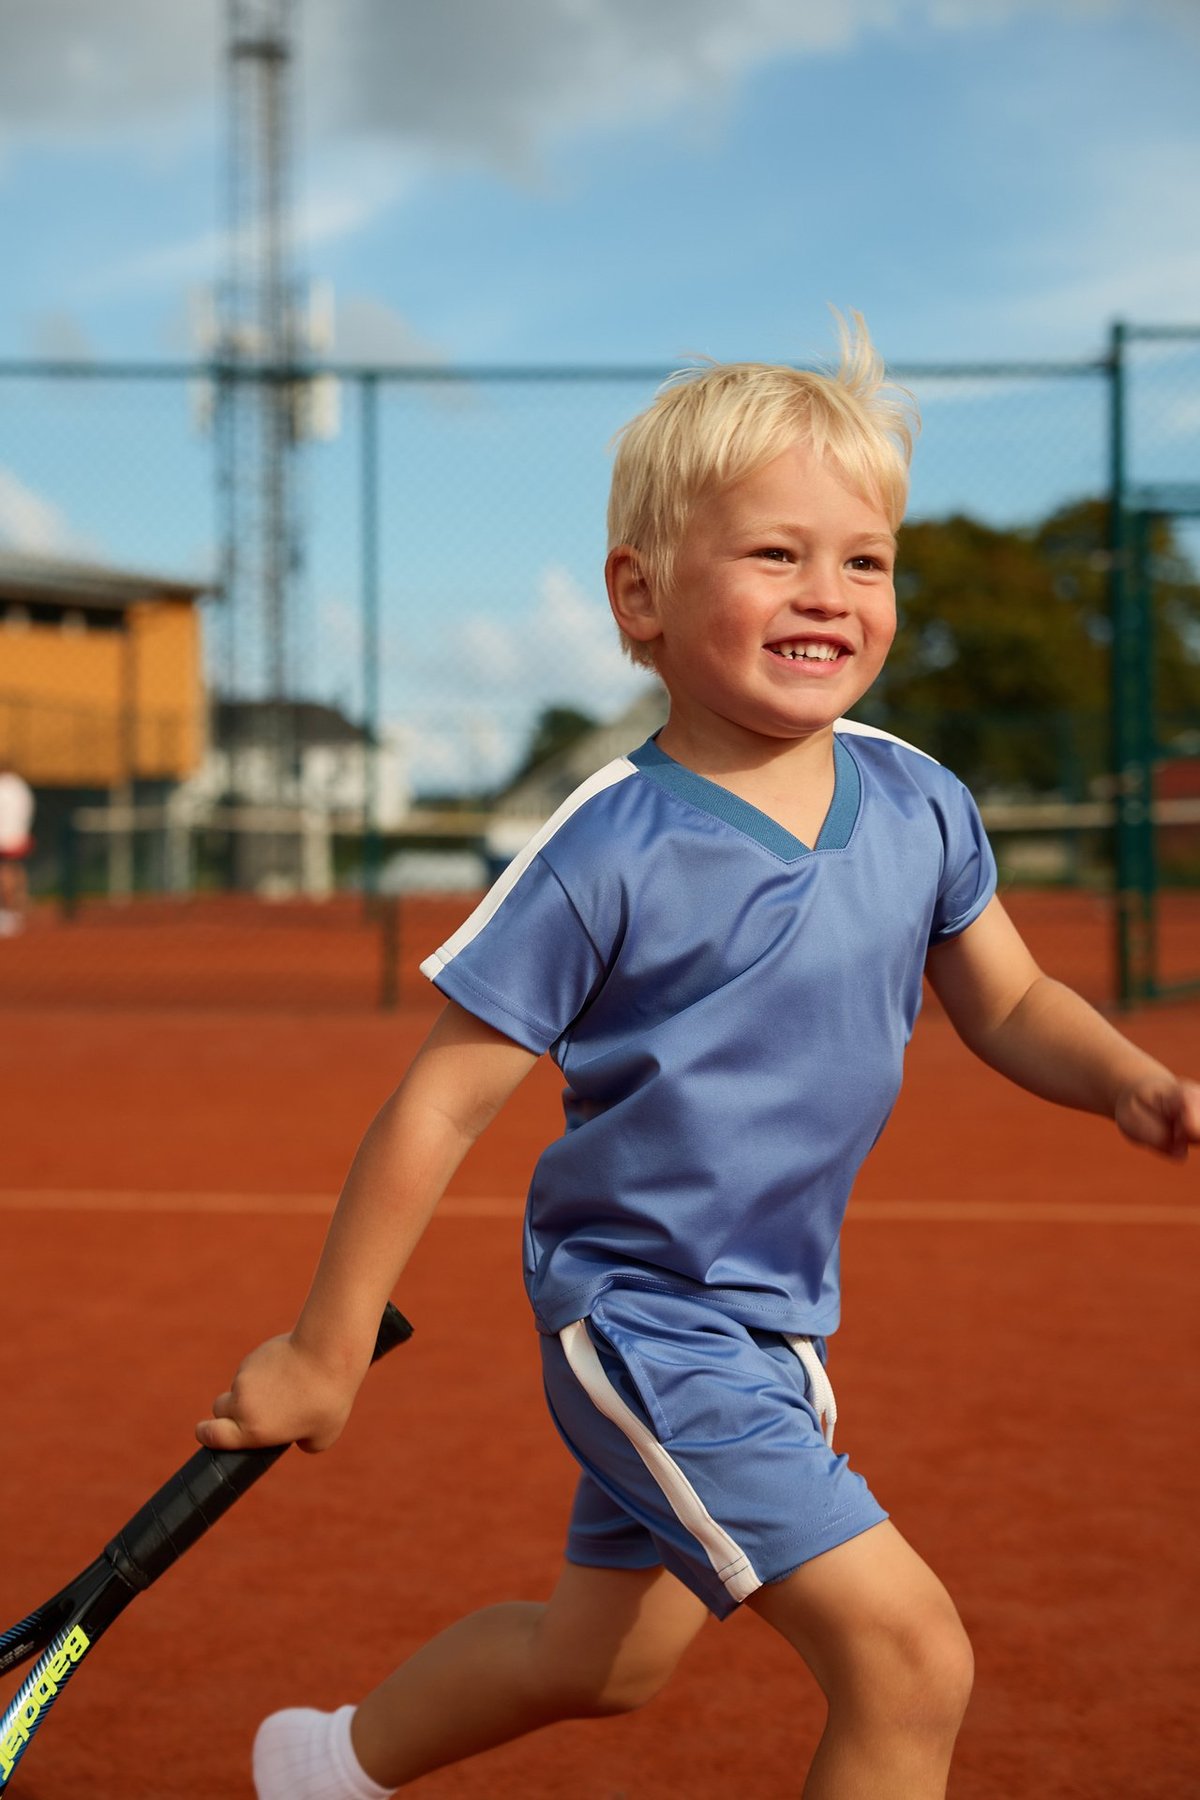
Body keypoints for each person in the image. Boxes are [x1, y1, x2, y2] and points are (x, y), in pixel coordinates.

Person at [198, 317, 1200, 1800]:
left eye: (864, 560)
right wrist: (321, 1353)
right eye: (774, 556)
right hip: (647, 1325)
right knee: (911, 1659)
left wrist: (1124, 1074)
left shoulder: (920, 801)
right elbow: (438, 1106)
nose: (829, 594)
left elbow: (1011, 996)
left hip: (773, 1329)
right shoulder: (610, 841)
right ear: (642, 597)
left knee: (600, 1661)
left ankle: (323, 1771)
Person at [0, 761, 35, 935]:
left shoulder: (4, 787)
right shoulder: (20, 786)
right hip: (20, 835)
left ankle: (7, 914)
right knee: (16, 870)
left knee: (5, 873)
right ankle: (19, 908)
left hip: (5, 838)